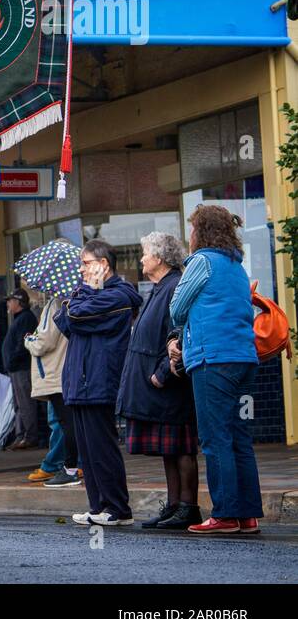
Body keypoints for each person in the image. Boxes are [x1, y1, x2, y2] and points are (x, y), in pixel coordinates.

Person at [170, 206, 263, 536]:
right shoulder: (237, 265)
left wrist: (180, 331)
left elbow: (177, 306)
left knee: (215, 438)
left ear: (201, 231)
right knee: (240, 438)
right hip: (245, 360)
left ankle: (224, 514)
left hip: (213, 361)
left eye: (193, 227)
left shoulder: (202, 261)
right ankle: (247, 515)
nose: (190, 234)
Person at [116, 232, 199, 530]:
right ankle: (174, 505)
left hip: (170, 384)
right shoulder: (162, 286)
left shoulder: (175, 286)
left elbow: (178, 332)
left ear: (160, 258)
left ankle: (188, 506)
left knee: (182, 448)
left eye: (145, 254)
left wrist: (163, 373)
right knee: (169, 450)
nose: (141, 259)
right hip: (158, 386)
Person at [56, 239, 141, 528]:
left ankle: (118, 508)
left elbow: (77, 314)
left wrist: (86, 295)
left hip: (99, 379)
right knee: (87, 450)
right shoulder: (90, 293)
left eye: (86, 263)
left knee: (102, 446)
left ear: (103, 264)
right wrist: (84, 294)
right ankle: (98, 506)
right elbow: (64, 319)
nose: (81, 269)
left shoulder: (119, 296)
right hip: (79, 381)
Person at [23, 287, 79, 487]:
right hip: (65, 370)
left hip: (55, 372)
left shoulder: (56, 304)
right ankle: (70, 464)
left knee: (61, 423)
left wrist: (29, 340)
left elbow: (43, 343)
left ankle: (60, 465)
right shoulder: (74, 301)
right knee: (66, 422)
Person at [2, 287, 39, 450]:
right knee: (19, 404)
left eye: (10, 300)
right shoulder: (20, 318)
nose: (8, 304)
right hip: (16, 369)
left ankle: (30, 437)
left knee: (26, 403)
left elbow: (23, 345)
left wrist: (12, 361)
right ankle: (21, 435)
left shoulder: (25, 318)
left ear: (18, 302)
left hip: (22, 368)